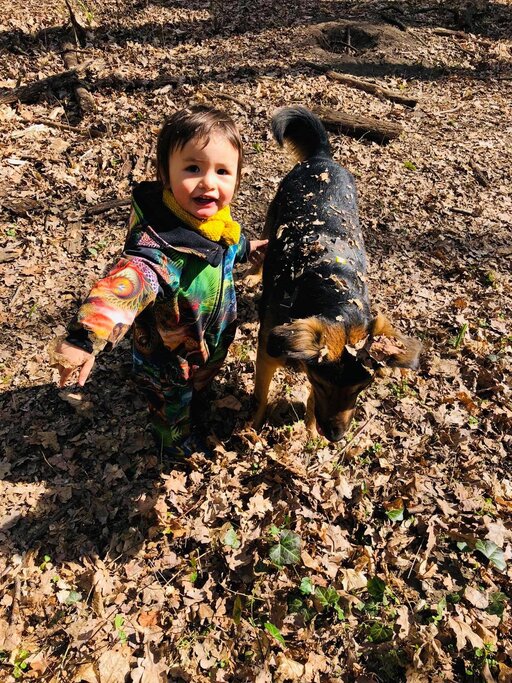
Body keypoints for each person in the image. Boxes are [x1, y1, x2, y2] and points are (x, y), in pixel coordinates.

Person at [50, 105, 267, 456]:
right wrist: (84, 337)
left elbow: (222, 246)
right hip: (167, 360)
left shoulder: (213, 222)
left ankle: (199, 396)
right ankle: (174, 442)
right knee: (171, 403)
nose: (209, 182)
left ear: (237, 179)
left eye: (223, 171)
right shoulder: (158, 248)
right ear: (166, 174)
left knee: (198, 386)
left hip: (207, 342)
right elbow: (126, 285)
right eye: (193, 168)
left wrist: (245, 248)